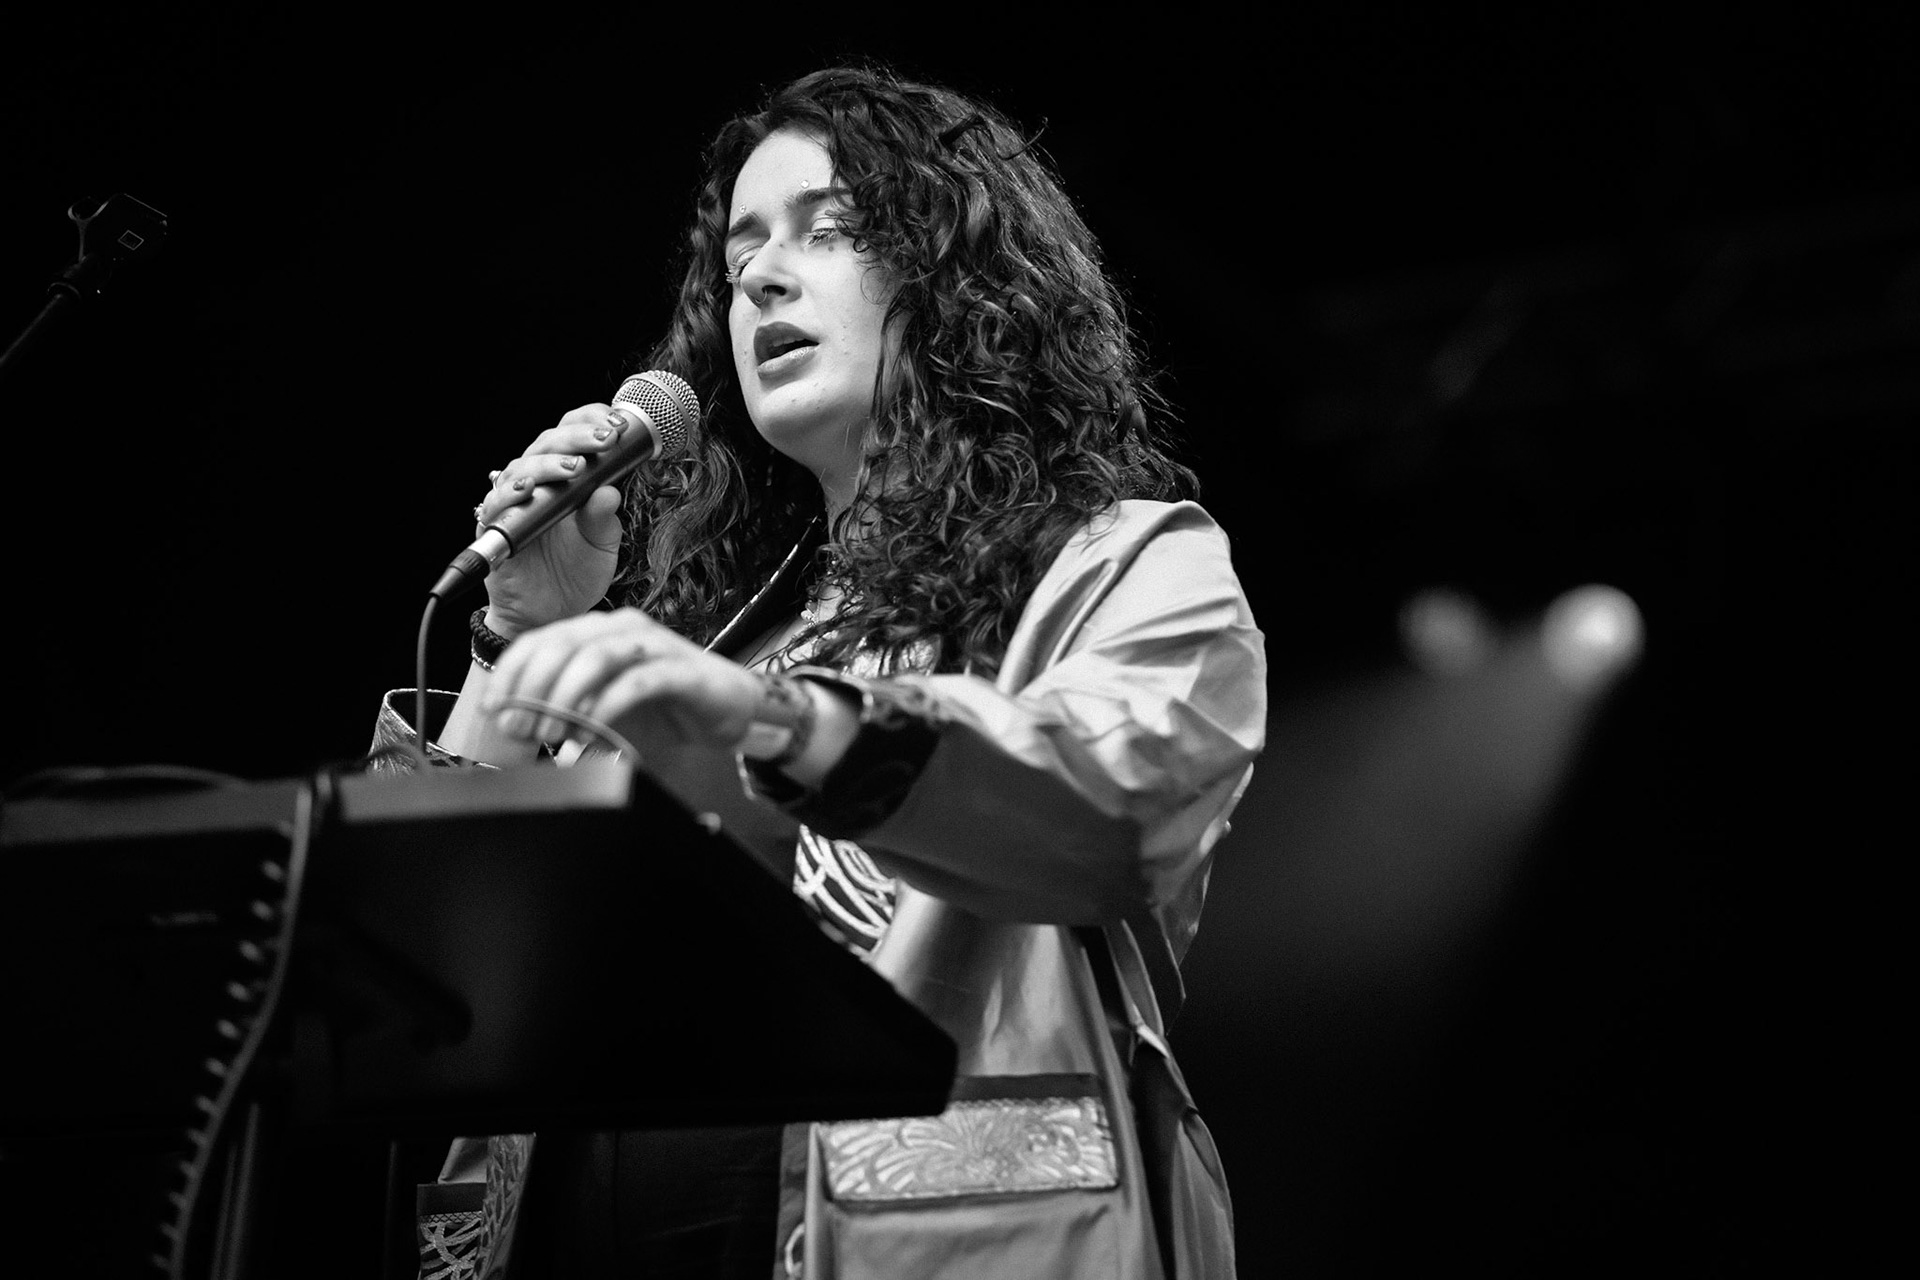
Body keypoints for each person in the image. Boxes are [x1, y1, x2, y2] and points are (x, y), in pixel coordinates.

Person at [374, 64, 1265, 1280]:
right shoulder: (708, 631)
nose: (761, 277)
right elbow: (421, 957)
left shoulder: (1121, 559)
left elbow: (1118, 804)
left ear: (958, 276)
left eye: (829, 229)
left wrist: (783, 722)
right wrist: (512, 637)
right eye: (739, 254)